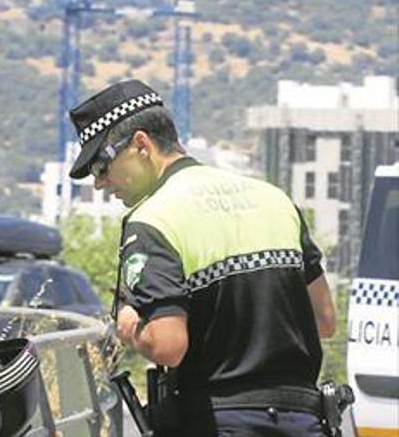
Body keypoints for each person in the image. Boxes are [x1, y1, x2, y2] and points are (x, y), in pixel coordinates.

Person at [67, 79, 337, 436]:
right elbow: (324, 320)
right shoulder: (274, 199)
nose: (100, 183)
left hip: (216, 421)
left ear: (141, 145)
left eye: (101, 166)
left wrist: (131, 327)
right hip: (303, 419)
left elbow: (168, 346)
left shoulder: (152, 220)